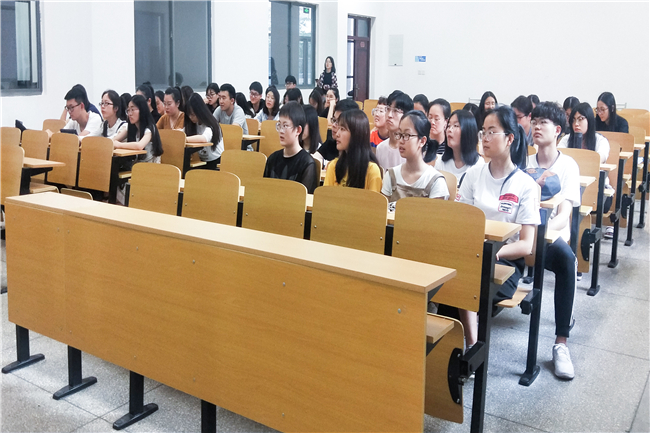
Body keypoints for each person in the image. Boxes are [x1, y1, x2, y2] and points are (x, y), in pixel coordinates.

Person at [458, 105, 537, 351]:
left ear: (510, 138)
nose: (485, 138)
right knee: (452, 284)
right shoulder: (473, 174)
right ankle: (471, 344)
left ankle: (472, 347)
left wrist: (492, 253)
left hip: (506, 262)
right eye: (483, 132)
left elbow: (526, 245)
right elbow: (461, 220)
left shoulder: (526, 185)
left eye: (492, 132)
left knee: (468, 287)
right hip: (471, 254)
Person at [526, 101, 581, 379]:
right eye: (534, 122)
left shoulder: (568, 165)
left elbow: (564, 214)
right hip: (525, 235)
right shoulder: (524, 163)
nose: (536, 127)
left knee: (567, 261)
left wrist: (542, 230)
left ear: (557, 130)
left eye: (543, 123)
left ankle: (561, 342)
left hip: (550, 236)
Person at [382, 110, 449, 209]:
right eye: (399, 134)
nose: (401, 141)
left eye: (407, 135)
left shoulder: (435, 181)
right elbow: (383, 213)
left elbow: (435, 217)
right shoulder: (391, 175)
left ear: (422, 141)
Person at [263, 102, 317, 194]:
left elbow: (306, 199)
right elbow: (264, 192)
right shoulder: (272, 159)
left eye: (285, 126)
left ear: (298, 130)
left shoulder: (307, 163)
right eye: (279, 125)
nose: (281, 131)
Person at [324, 109, 382, 191]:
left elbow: (373, 199)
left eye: (342, 129)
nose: (337, 134)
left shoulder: (372, 170)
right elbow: (325, 196)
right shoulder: (333, 166)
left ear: (356, 134)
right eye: (338, 128)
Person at [435, 110, 485, 191]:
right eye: (449, 126)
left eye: (456, 126)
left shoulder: (479, 165)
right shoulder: (441, 162)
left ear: (468, 131)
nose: (449, 130)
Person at [112, 94, 163, 164]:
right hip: (136, 165)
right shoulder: (130, 128)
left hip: (150, 166)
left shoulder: (150, 129)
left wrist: (119, 145)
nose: (130, 114)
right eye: (128, 110)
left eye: (132, 110)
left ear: (142, 110)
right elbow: (113, 140)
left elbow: (140, 146)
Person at [376, 91, 413, 171]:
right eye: (388, 109)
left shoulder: (411, 150)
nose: (389, 115)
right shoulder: (380, 148)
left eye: (396, 111)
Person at [185, 93, 224, 170]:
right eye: (189, 114)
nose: (190, 117)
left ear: (200, 112)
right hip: (202, 162)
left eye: (193, 114)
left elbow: (204, 138)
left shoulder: (211, 124)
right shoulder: (193, 124)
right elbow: (181, 132)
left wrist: (184, 139)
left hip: (216, 162)